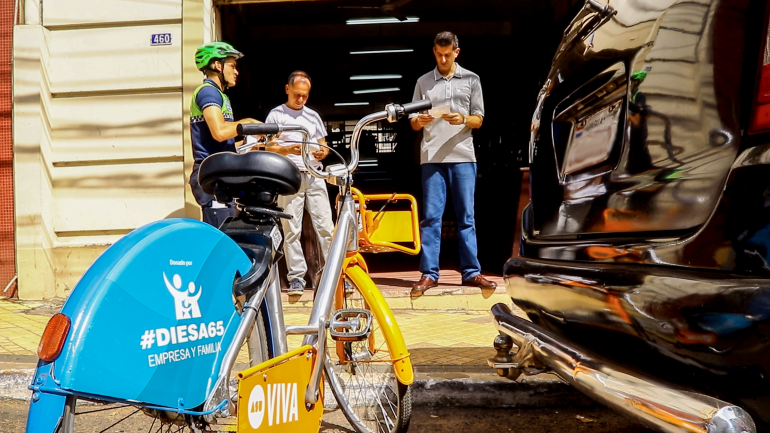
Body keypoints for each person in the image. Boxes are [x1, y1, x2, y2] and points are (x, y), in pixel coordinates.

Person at [409, 31, 497, 292]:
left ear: (457, 52)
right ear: (434, 52)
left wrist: (463, 119)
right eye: (439, 54)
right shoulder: (423, 81)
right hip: (432, 157)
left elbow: (479, 119)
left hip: (463, 156)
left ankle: (471, 272)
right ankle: (429, 273)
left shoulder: (471, 79)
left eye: (448, 54)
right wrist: (419, 120)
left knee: (466, 216)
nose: (443, 59)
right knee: (431, 218)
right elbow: (413, 122)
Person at [264, 71, 334, 296]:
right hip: (289, 175)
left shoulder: (313, 116)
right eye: (297, 95)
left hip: (314, 173)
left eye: (305, 95)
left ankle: (334, 273)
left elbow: (323, 144)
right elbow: (268, 146)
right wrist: (287, 149)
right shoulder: (276, 115)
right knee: (291, 229)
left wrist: (322, 152)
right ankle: (296, 278)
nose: (301, 99)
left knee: (326, 227)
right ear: (287, 89)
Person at [189, 41, 260, 228]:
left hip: (221, 174)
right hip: (212, 176)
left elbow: (220, 144)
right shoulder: (207, 92)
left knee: (229, 236)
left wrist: (250, 145)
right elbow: (219, 132)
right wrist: (247, 124)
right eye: (232, 66)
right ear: (217, 65)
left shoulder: (220, 95)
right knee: (220, 238)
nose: (236, 72)